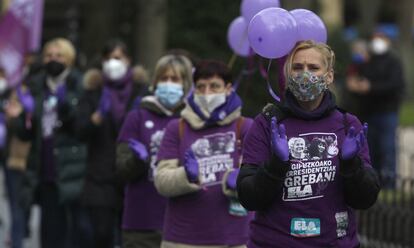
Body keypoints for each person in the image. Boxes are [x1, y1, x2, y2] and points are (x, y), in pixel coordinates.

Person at [237, 40, 380, 248]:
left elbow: (365, 199)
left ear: (329, 76)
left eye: (313, 68)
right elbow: (248, 198)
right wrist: (276, 165)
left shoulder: (348, 125)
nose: (305, 74)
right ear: (288, 74)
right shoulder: (268, 123)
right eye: (297, 67)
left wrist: (352, 165)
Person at [154, 60, 253, 248]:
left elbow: (260, 180)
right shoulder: (177, 128)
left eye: (215, 86)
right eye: (201, 87)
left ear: (228, 88)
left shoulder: (245, 126)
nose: (207, 93)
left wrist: (241, 180)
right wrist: (186, 176)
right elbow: (161, 181)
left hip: (235, 239)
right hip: (182, 240)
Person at [15, 37, 92, 248]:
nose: (53, 60)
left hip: (74, 170)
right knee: (50, 232)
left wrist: (67, 105)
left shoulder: (80, 83)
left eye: (59, 56)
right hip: (45, 168)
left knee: (79, 231)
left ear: (69, 59)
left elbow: (82, 128)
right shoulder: (36, 85)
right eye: (49, 55)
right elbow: (25, 134)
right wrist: (25, 117)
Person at [76, 39, 149, 248]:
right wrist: (95, 119)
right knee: (101, 234)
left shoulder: (141, 92)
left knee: (128, 235)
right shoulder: (93, 92)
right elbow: (79, 132)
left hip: (131, 173)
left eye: (117, 58)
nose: (112, 63)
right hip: (99, 176)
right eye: (108, 59)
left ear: (128, 60)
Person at [116, 54, 193, 248]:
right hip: (141, 224)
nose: (168, 84)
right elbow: (121, 170)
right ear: (155, 82)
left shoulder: (192, 121)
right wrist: (137, 161)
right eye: (163, 78)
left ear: (185, 84)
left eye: (174, 79)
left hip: (183, 222)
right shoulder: (137, 118)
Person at [345, 32, 405, 188]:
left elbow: (394, 85)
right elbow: (355, 80)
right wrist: (355, 86)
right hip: (368, 112)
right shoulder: (366, 61)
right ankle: (374, 183)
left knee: (387, 149)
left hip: (387, 112)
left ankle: (389, 185)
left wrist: (371, 88)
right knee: (371, 149)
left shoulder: (393, 62)